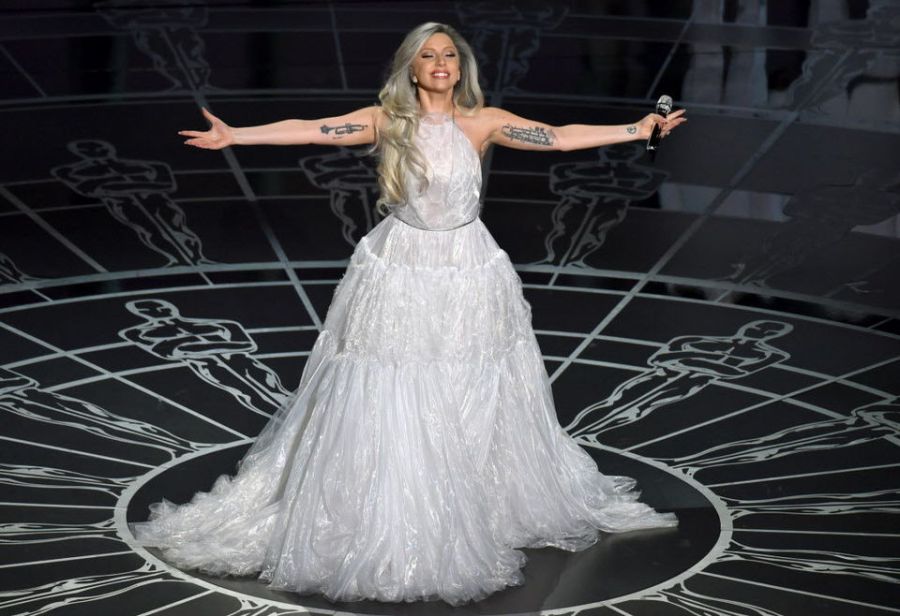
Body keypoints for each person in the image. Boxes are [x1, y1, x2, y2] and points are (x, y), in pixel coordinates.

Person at [130, 22, 686, 606]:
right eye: (428, 55)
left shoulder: (484, 122)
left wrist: (637, 128)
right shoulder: (386, 120)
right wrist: (237, 136)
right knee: (391, 378)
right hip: (399, 267)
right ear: (412, 68)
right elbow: (314, 128)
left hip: (470, 268)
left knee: (473, 376)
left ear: (460, 68)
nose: (440, 62)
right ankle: (394, 501)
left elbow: (559, 137)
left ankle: (472, 496)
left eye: (449, 54)